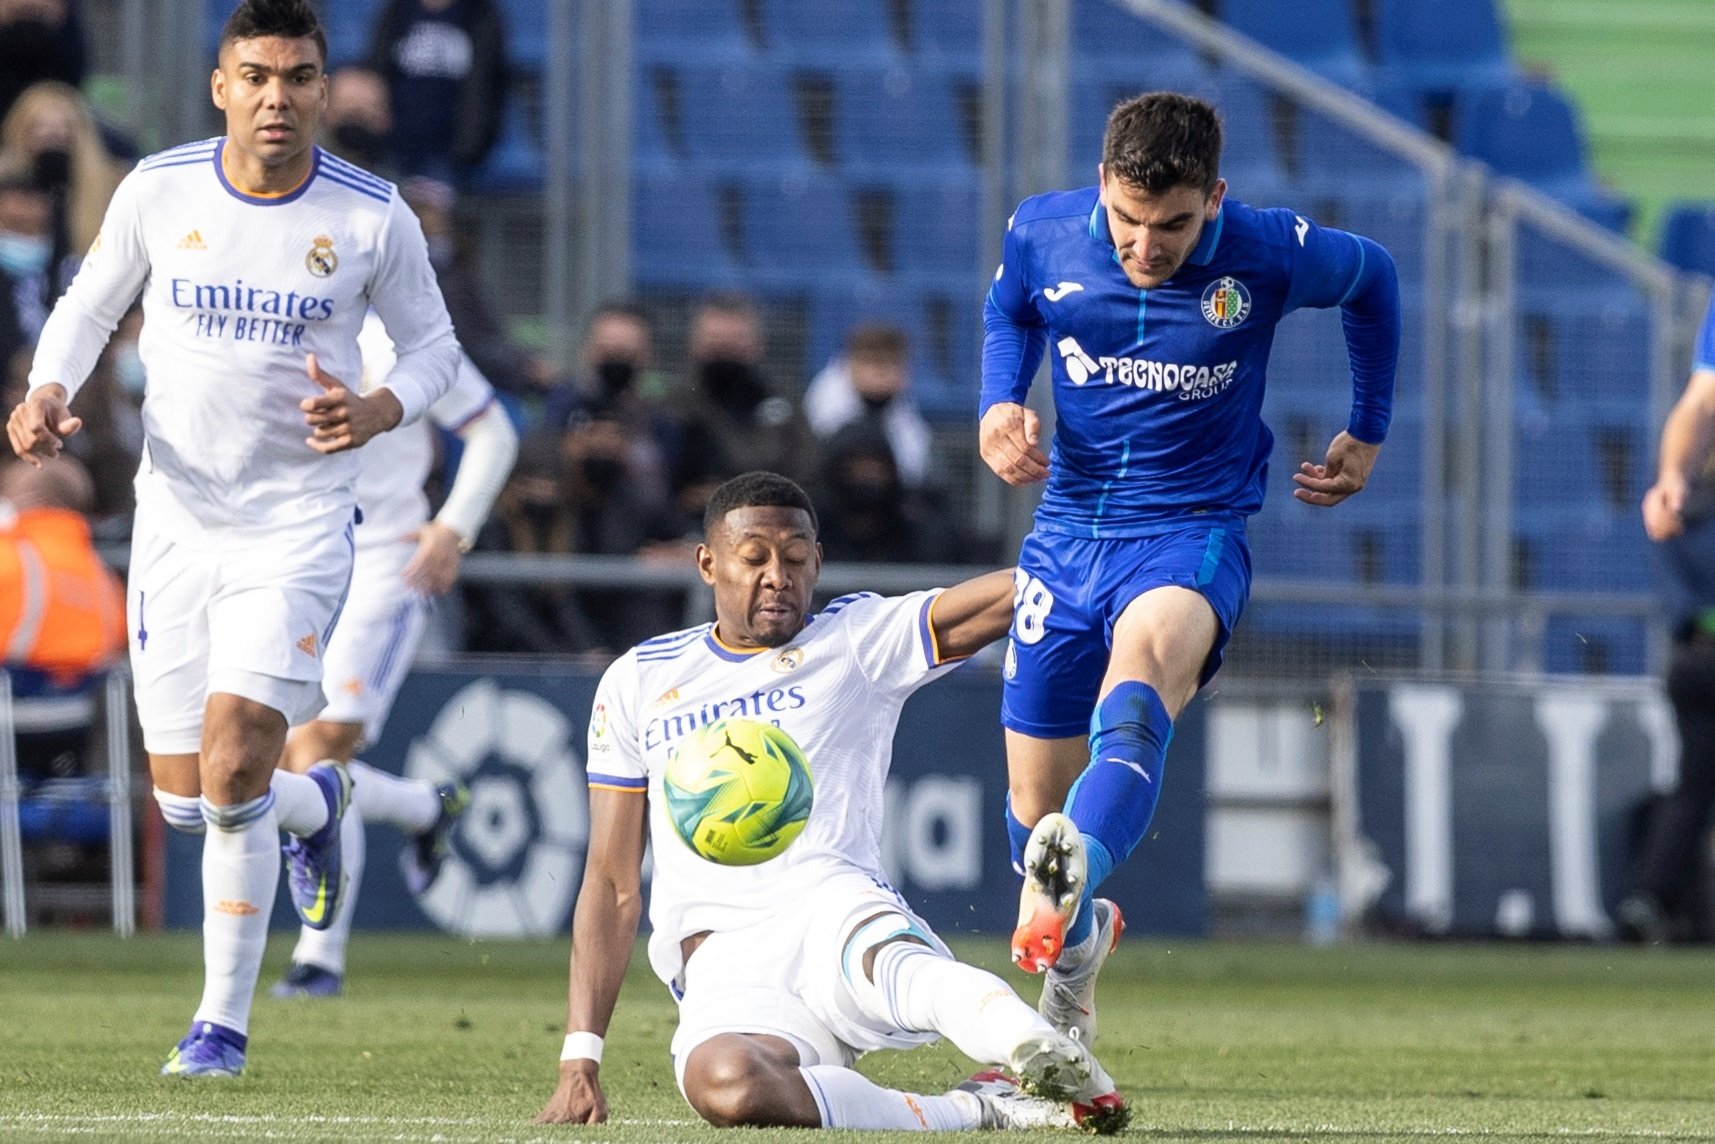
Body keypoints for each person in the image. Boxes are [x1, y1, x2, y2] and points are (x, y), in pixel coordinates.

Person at [5, 0, 459, 1077]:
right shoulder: (159, 188)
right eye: (255, 75)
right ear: (221, 86)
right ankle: (320, 806)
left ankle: (219, 1027)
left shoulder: (370, 216)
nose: (276, 96)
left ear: (320, 87)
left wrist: (378, 408)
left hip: (298, 524)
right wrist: (46, 389)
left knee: (233, 754)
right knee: (189, 798)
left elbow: (434, 353)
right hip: (176, 519)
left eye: (298, 76)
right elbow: (84, 302)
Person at [981, 92, 1399, 1033]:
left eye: (1171, 224)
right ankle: (1078, 942)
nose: (1144, 246)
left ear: (1212, 197)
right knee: (1030, 803)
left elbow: (1374, 279)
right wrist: (996, 405)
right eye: (1128, 221)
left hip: (1190, 529)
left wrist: (1366, 431)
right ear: (1102, 187)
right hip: (1066, 534)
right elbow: (1008, 306)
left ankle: (1062, 948)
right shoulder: (1043, 233)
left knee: (1135, 691)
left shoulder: (1266, 251)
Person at [536, 471, 1128, 1134]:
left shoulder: (855, 639)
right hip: (724, 963)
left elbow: (1009, 599)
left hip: (833, 904)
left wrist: (1107, 567)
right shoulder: (639, 681)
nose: (775, 576)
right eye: (753, 557)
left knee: (910, 979)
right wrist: (579, 1056)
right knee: (728, 1089)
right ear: (707, 563)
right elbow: (613, 881)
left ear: (816, 561)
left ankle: (1047, 1056)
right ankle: (983, 1108)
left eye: (794, 559)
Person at [271, 310, 517, 997]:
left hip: (386, 559)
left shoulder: (398, 340)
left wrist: (453, 527)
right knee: (273, 754)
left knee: (321, 748)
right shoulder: (256, 319)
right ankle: (422, 808)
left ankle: (319, 958)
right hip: (288, 560)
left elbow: (493, 432)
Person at [1620, 293, 1715, 943]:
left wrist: (1674, 478)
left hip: (1693, 654)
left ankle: (1651, 898)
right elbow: (1699, 400)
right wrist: (1669, 473)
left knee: (1692, 788)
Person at [673, 293, 817, 495]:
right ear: (695, 345)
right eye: (716, 342)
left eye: (735, 342)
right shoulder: (674, 408)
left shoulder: (783, 406)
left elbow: (807, 467)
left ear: (757, 346)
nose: (725, 351)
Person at [364, 0, 509, 184]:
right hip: (395, 142)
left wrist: (471, 145)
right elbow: (377, 67)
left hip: (451, 148)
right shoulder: (399, 9)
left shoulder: (479, 11)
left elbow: (489, 80)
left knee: (431, 207)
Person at [0, 80, 129, 260]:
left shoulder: (115, 185)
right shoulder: (5, 183)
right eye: (40, 127)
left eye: (64, 128)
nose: (52, 138)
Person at [803, 323, 934, 489]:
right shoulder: (824, 403)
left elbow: (913, 470)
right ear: (851, 364)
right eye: (874, 364)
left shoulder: (901, 408)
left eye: (893, 365)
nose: (883, 374)